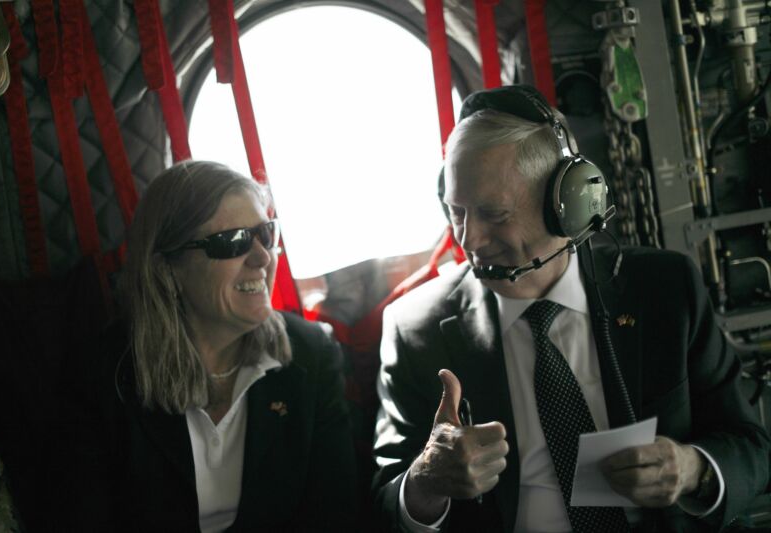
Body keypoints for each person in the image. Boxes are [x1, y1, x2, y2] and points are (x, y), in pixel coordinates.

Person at [373, 86, 770, 532]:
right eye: (457, 212)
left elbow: (751, 445)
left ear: (569, 204)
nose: (470, 240)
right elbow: (387, 502)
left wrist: (692, 467)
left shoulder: (665, 288)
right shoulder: (414, 331)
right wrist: (426, 481)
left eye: (494, 214)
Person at [60, 160, 357, 532]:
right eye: (232, 241)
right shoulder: (104, 377)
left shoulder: (311, 353)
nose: (263, 258)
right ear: (168, 270)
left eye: (265, 234)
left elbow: (335, 514)